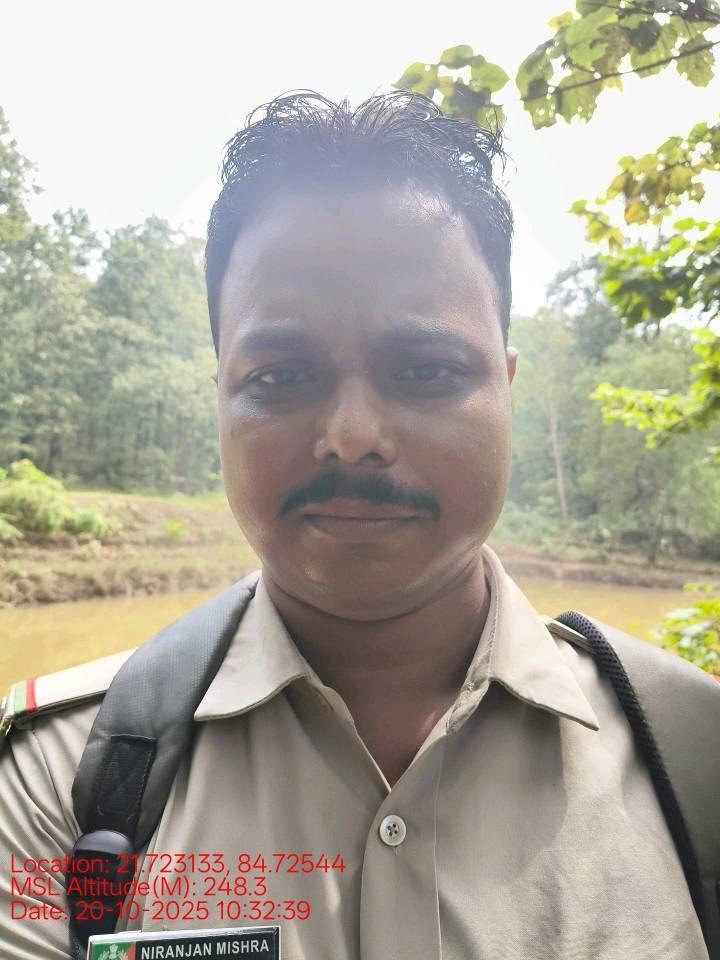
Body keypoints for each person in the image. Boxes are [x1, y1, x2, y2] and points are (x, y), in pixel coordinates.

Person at [0, 91, 710, 960]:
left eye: (426, 369)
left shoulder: (695, 755)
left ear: (506, 388)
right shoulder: (61, 780)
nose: (353, 436)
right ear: (221, 397)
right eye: (281, 376)